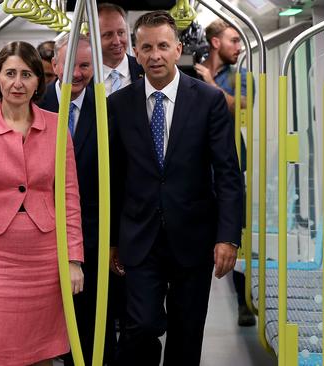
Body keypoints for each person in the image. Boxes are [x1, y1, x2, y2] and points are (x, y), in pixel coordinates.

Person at [108, 11, 243, 365]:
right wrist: (111, 239)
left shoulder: (208, 101)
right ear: (135, 53)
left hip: (194, 236)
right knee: (140, 325)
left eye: (163, 46)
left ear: (178, 48)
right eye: (147, 47)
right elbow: (114, 177)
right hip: (139, 237)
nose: (155, 55)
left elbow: (227, 172)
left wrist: (228, 236)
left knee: (186, 332)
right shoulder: (118, 106)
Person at [0, 41, 84, 366]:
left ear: (40, 81)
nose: (17, 83)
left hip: (45, 258)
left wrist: (74, 261)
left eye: (27, 74)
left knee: (43, 354)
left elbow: (69, 200)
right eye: (10, 73)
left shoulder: (57, 127)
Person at [37, 34, 117, 365]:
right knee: (46, 323)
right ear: (55, 65)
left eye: (86, 66)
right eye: (72, 65)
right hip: (43, 231)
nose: (78, 73)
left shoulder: (108, 110)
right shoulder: (34, 106)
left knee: (95, 322)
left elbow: (117, 176)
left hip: (94, 234)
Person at [195, 19, 255, 327]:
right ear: (216, 42)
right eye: (233, 40)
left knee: (237, 234)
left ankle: (243, 301)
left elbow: (243, 107)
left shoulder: (240, 76)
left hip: (230, 162)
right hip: (197, 163)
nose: (239, 47)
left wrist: (211, 86)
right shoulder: (191, 73)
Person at [97, 3, 144, 95]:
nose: (117, 41)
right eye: (108, 35)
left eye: (121, 32)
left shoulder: (145, 69)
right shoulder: (84, 76)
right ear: (91, 38)